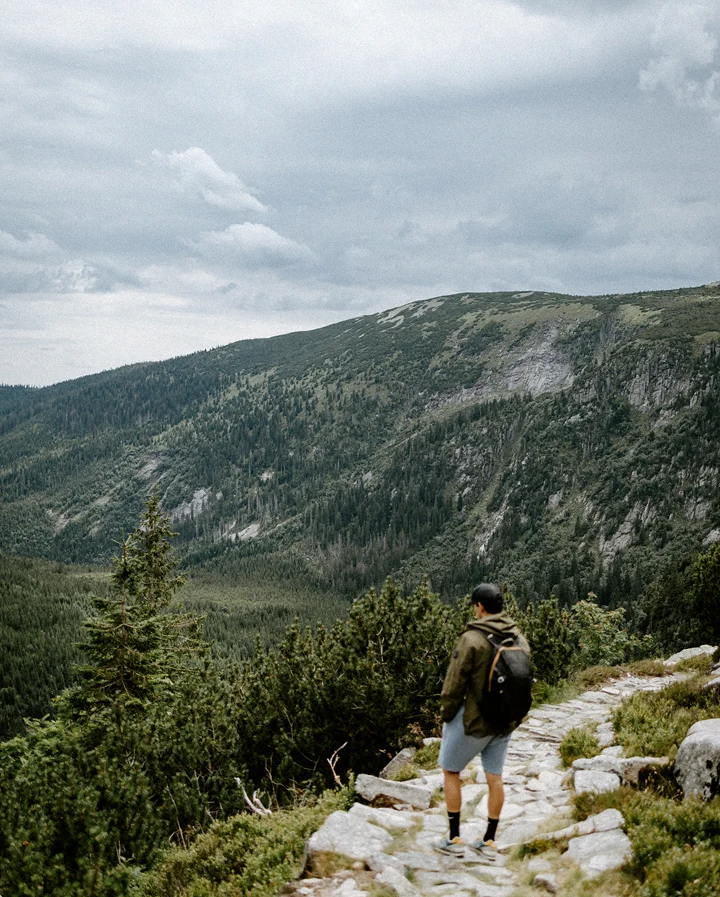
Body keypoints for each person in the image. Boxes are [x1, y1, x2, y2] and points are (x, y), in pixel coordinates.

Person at [434, 582, 530, 859]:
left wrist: (447, 715)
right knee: (494, 776)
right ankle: (489, 840)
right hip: (505, 722)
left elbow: (454, 683)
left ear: (480, 607)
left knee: (451, 771)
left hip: (475, 721)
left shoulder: (472, 639)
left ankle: (453, 838)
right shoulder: (518, 639)